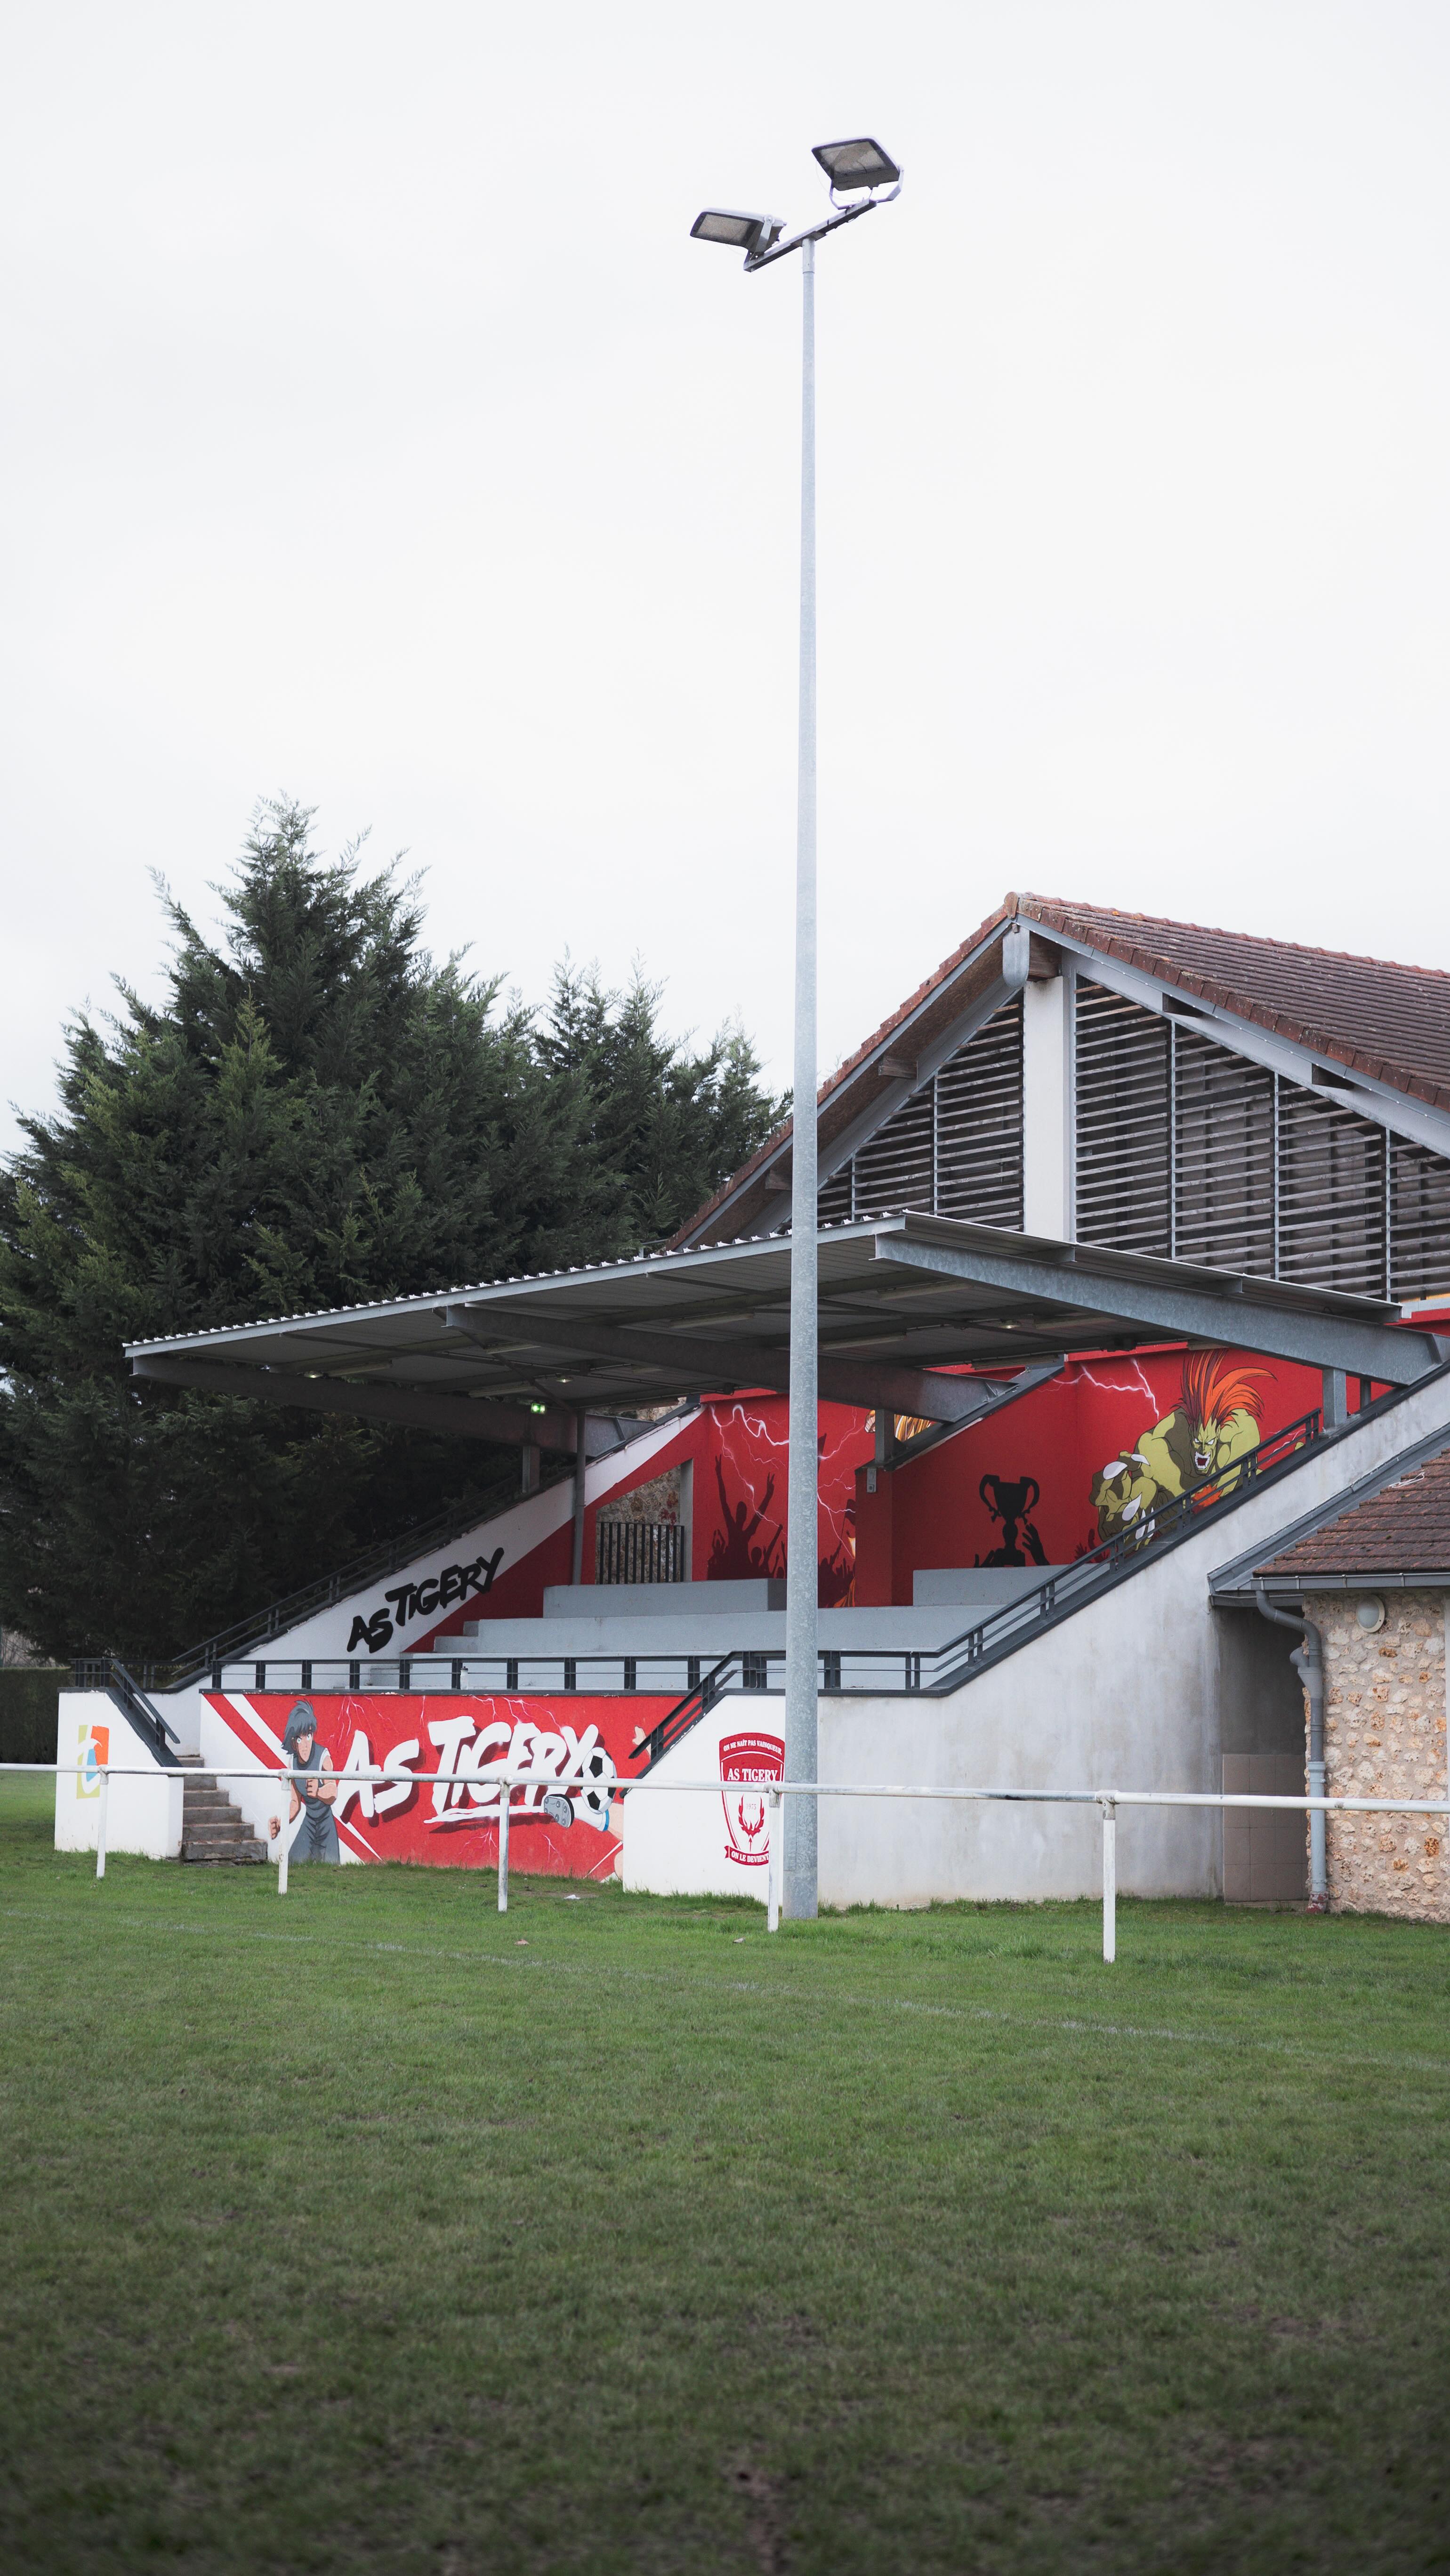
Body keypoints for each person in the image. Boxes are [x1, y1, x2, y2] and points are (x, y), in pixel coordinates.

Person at [269, 1699, 340, 1864]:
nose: (306, 1744)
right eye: (300, 1740)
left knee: (332, 1869)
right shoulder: (292, 1764)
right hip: (309, 1823)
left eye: (309, 1736)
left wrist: (319, 1792)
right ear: (293, 1742)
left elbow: (333, 1791)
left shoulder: (323, 1756)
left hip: (326, 1824)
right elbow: (295, 1803)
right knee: (293, 1863)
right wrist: (281, 1823)